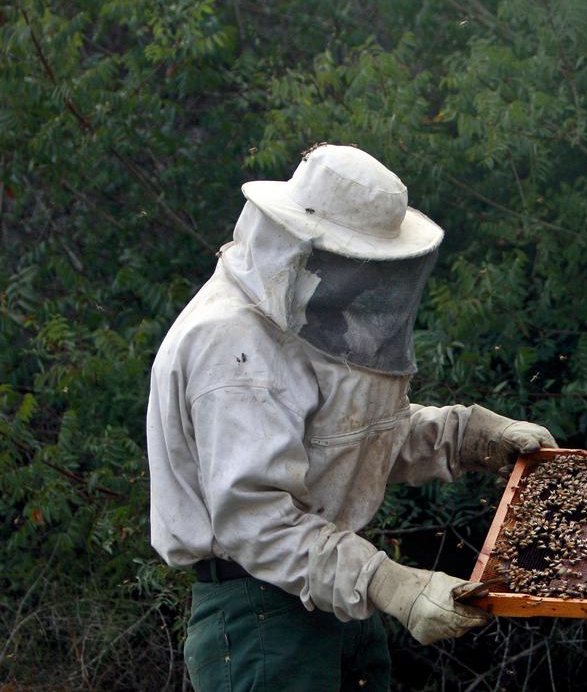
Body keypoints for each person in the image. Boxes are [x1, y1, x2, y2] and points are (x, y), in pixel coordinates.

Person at [146, 143, 557, 691]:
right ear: (307, 246)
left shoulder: (299, 319)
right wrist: (389, 583)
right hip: (261, 617)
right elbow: (257, 524)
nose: (367, 280)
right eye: (358, 260)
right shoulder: (233, 347)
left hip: (333, 596)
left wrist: (468, 436)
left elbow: (346, 436)